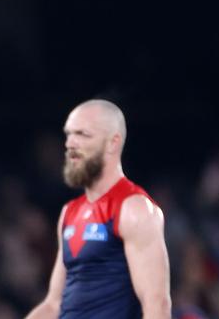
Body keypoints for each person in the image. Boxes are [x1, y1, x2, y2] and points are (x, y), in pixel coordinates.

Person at [26, 99, 171, 319]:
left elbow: (156, 304)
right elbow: (53, 305)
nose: (71, 144)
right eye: (69, 134)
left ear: (113, 143)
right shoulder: (70, 213)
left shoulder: (134, 208)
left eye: (83, 134)